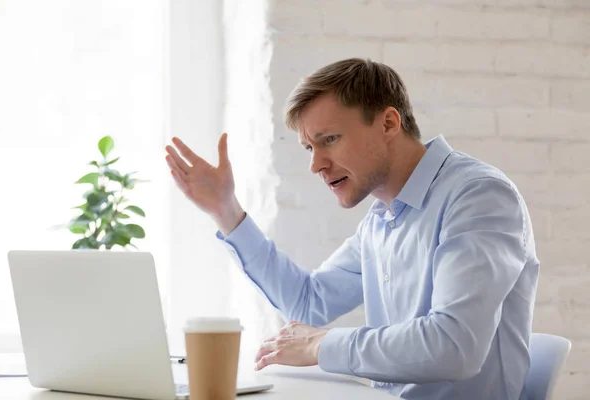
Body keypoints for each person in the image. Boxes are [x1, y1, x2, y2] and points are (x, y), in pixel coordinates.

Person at [165, 58, 539, 400]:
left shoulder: (478, 196)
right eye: (309, 148)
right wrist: (226, 211)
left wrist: (320, 346)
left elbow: (455, 347)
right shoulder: (381, 220)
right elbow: (309, 302)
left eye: (329, 140)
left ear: (389, 123)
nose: (316, 165)